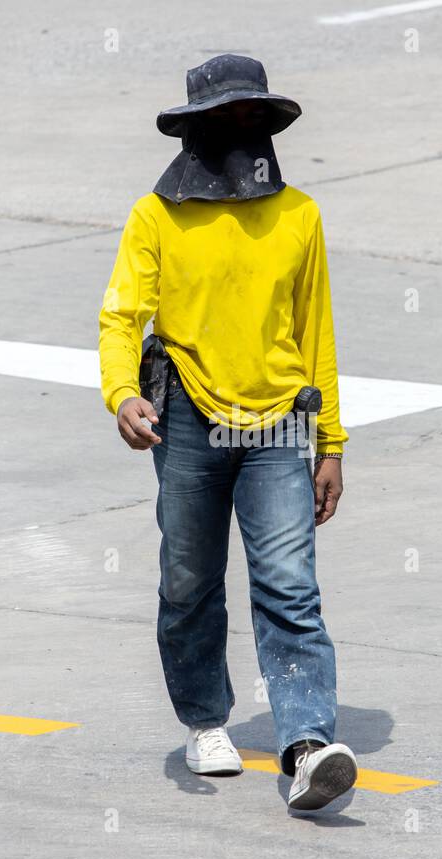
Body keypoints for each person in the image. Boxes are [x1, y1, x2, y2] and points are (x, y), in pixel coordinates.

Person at [97, 54, 358, 812]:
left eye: (252, 116)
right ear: (195, 130)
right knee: (189, 579)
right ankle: (205, 718)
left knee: (290, 587)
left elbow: (318, 336)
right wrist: (121, 395)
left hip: (278, 422)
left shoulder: (299, 216)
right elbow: (122, 316)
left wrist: (331, 443)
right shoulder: (157, 216)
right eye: (224, 117)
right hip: (185, 419)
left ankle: (307, 745)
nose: (240, 129)